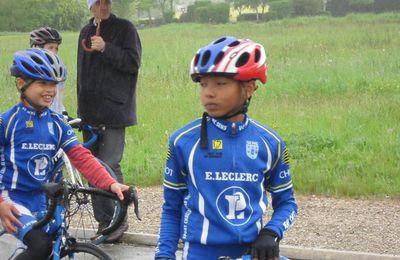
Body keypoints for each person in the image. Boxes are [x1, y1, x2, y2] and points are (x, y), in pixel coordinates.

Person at [154, 36, 298, 260]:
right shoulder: (183, 141)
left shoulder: (270, 143)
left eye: (220, 84)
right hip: (200, 253)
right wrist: (164, 256)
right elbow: (171, 208)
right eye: (203, 84)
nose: (208, 93)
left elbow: (287, 203)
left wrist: (271, 232)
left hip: (250, 253)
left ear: (249, 88)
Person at [0, 48, 133, 260]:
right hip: (12, 200)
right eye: (42, 83)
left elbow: (82, 157)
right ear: (20, 84)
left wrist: (111, 184)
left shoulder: (58, 123)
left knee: (57, 245)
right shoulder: (7, 122)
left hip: (45, 201)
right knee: (41, 246)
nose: (50, 90)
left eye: (54, 84)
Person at [77, 0, 142, 243]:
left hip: (115, 111)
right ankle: (104, 223)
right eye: (99, 2)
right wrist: (81, 110)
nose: (104, 6)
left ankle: (118, 220)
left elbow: (133, 62)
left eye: (107, 2)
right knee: (92, 169)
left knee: (110, 165)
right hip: (89, 112)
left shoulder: (125, 29)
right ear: (90, 6)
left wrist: (106, 47)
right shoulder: (85, 32)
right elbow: (82, 74)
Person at [30, 26, 66, 114]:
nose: (54, 52)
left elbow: (59, 97)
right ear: (37, 47)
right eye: (50, 48)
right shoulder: (30, 70)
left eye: (56, 48)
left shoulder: (58, 70)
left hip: (55, 117)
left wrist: (63, 112)